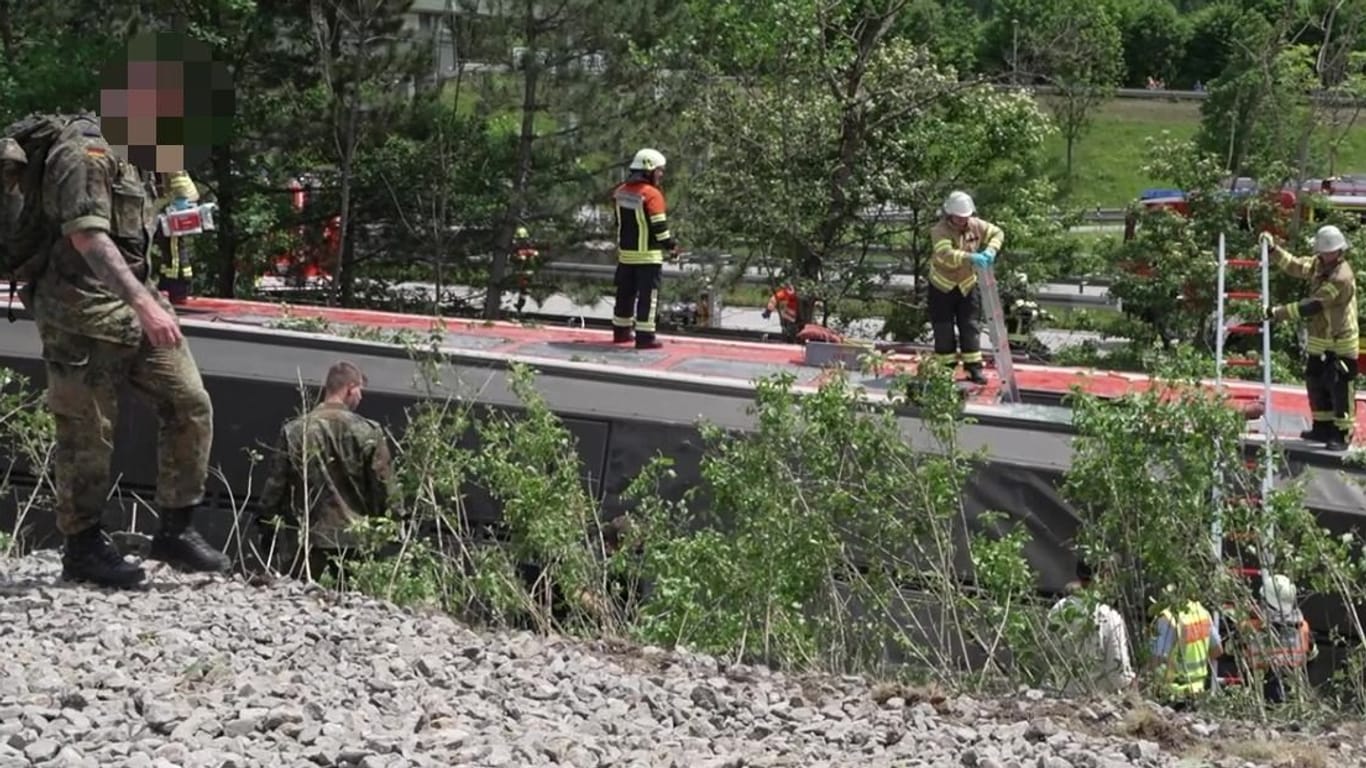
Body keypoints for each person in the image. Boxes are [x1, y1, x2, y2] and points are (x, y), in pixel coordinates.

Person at [15, 113, 227, 587]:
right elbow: (87, 237)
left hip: (133, 308)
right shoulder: (86, 151)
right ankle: (83, 547)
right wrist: (143, 303)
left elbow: (138, 241)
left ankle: (176, 529)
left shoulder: (142, 162)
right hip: (81, 313)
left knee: (190, 403)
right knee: (87, 436)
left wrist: (151, 297)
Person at [255, 361, 396, 585]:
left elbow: (276, 485)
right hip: (353, 538)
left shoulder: (295, 430)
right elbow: (382, 484)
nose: (361, 397)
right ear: (350, 387)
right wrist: (389, 523)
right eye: (360, 390)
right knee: (357, 604)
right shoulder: (368, 431)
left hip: (305, 537)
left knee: (293, 601)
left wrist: (266, 522)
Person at [1261, 227, 1358, 451]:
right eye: (1323, 252)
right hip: (1319, 336)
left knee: (1339, 384)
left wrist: (1276, 313)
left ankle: (1342, 433)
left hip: (1340, 337)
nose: (1325, 256)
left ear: (1340, 251)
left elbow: (1313, 305)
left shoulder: (1342, 277)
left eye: (1330, 252)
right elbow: (1296, 266)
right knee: (1315, 380)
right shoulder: (1318, 264)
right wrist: (1273, 250)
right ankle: (1321, 427)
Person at [928, 190, 1005, 385]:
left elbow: (997, 232)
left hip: (967, 285)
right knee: (943, 328)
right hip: (942, 287)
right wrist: (971, 257)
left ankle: (973, 369)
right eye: (959, 217)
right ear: (949, 215)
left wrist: (991, 250)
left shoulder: (975, 225)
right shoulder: (940, 230)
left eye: (966, 216)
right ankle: (946, 370)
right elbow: (945, 253)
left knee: (970, 326)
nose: (963, 220)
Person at [611, 148, 679, 350]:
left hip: (626, 257)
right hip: (648, 257)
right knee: (648, 298)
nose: (661, 174)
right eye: (659, 170)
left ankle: (621, 332)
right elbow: (660, 228)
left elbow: (619, 223)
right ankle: (645, 337)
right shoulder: (651, 195)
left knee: (624, 295)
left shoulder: (620, 192)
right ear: (649, 169)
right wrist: (671, 245)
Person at [1046, 559, 1136, 695]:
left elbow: (1048, 655)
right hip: (1096, 702)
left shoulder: (1057, 610)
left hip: (1059, 695)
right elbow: (1119, 675)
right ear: (1104, 577)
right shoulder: (1109, 616)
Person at [1242, 573, 1317, 704]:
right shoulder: (1303, 628)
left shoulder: (1250, 628)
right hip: (1294, 700)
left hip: (1261, 702)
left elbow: (1229, 650)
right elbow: (1312, 656)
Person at [1149, 591, 1222, 709]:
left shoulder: (1167, 619)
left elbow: (1157, 661)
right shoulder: (1202, 613)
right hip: (1198, 692)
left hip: (1172, 695)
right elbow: (1217, 650)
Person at [153, 171, 200, 304]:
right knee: (169, 245)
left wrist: (181, 198)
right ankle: (169, 283)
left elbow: (177, 176)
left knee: (174, 247)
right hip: (170, 201)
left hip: (175, 201)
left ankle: (178, 286)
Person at [511, 225, 538, 316]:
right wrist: (518, 258)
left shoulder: (530, 246)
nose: (521, 241)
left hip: (528, 271)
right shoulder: (515, 247)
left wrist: (532, 254)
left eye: (523, 239)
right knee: (521, 288)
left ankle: (519, 306)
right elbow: (512, 258)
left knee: (524, 290)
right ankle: (517, 306)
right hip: (518, 272)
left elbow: (536, 254)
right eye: (520, 239)